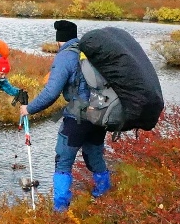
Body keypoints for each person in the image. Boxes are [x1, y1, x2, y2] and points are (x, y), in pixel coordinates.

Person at [19, 20, 111, 211]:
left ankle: (60, 209)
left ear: (59, 41)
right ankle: (104, 194)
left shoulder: (65, 57)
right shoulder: (89, 52)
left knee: (63, 161)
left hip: (78, 118)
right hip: (100, 115)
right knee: (94, 155)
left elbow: (51, 93)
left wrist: (29, 109)